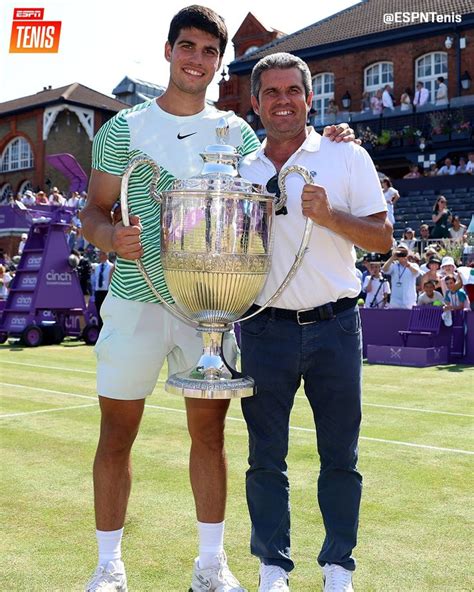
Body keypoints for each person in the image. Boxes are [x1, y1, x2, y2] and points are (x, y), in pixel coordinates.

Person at [80, 8, 356, 592]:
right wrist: (110, 238)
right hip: (136, 300)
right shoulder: (123, 127)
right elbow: (93, 213)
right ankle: (109, 565)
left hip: (211, 309)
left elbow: (285, 157)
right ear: (168, 51)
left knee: (210, 436)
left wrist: (333, 140)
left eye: (209, 52)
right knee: (116, 433)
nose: (196, 60)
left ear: (218, 62)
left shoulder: (236, 132)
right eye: (188, 47)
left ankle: (211, 563)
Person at [238, 52, 392, 592]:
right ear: (255, 103)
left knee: (340, 456)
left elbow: (383, 239)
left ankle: (338, 567)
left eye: (293, 91)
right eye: (271, 92)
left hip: (335, 326)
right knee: (265, 457)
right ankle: (273, 566)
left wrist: (330, 216)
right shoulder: (240, 168)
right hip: (262, 328)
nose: (283, 101)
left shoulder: (344, 155)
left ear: (309, 98)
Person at [92, 251, 114, 329]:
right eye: (99, 254)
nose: (100, 256)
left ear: (106, 255)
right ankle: (100, 330)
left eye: (101, 254)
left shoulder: (111, 266)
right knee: (99, 313)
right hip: (98, 292)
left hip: (106, 291)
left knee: (107, 312)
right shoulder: (97, 267)